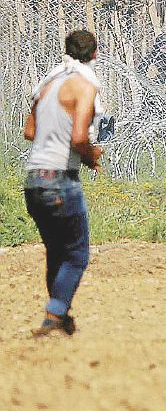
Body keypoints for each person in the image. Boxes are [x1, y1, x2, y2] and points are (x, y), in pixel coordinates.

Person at [23, 30, 105, 337]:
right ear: (94, 55)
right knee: (77, 254)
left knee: (56, 253)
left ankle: (62, 316)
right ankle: (54, 314)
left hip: (34, 180)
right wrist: (91, 156)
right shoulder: (84, 85)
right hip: (60, 179)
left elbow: (30, 131)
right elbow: (80, 136)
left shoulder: (47, 85)